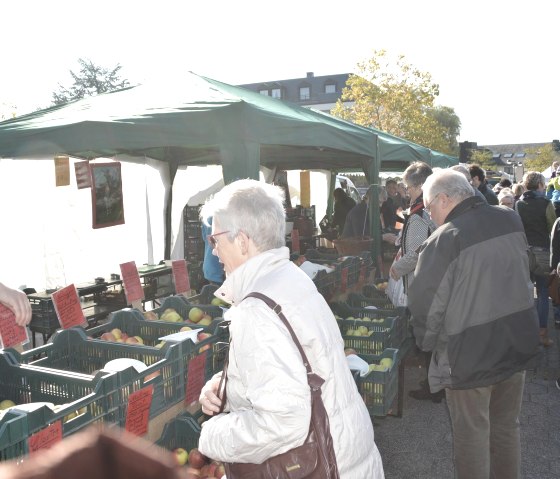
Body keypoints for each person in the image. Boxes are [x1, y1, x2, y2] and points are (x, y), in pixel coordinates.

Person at [197, 179, 384, 478]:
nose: (215, 250)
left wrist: (213, 434)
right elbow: (296, 368)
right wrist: (228, 387)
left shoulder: (257, 309)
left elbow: (283, 422)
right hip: (348, 457)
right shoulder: (290, 279)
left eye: (215, 239)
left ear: (242, 241)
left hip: (326, 467)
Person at [408, 169, 539, 479]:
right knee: (507, 428)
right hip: (516, 342)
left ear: (444, 199)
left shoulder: (445, 238)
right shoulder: (509, 217)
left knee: (472, 436)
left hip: (470, 356)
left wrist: (427, 346)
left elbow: (426, 305)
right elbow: (527, 272)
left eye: (429, 208)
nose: (430, 215)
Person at [387, 162, 439, 402]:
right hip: (430, 279)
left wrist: (398, 267)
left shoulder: (419, 215)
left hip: (421, 281)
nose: (406, 191)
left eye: (408, 187)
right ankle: (434, 382)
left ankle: (433, 386)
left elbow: (418, 250)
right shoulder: (427, 210)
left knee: (428, 334)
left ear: (420, 186)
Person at [515, 171, 557, 347]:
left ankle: (524, 334)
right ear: (540, 185)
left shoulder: (519, 204)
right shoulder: (547, 203)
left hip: (523, 251)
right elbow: (552, 228)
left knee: (524, 294)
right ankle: (542, 334)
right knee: (542, 293)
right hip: (542, 252)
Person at [201, 217, 224, 286]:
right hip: (219, 268)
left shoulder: (207, 217)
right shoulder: (226, 216)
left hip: (209, 266)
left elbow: (205, 238)